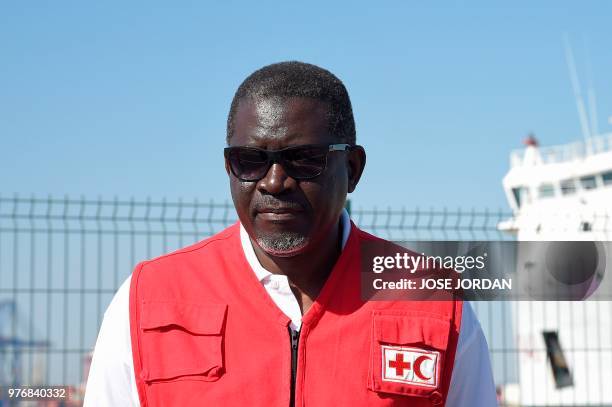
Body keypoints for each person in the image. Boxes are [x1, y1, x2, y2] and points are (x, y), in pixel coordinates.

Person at [84, 61, 496, 406]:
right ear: (229, 166)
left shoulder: (431, 300)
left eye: (304, 159)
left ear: (352, 169)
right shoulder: (148, 300)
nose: (274, 182)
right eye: (250, 160)